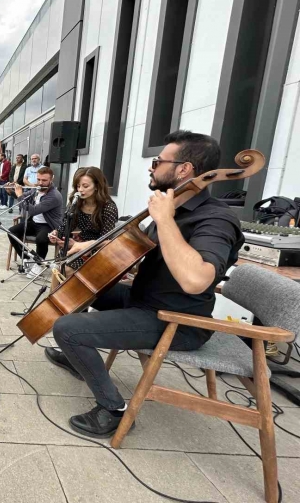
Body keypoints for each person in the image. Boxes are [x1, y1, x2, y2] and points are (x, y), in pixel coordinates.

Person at [50, 131, 243, 439]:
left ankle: (112, 409)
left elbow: (196, 279)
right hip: (144, 299)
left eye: (158, 161)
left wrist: (164, 220)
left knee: (67, 328)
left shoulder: (215, 220)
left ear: (183, 169)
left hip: (175, 320)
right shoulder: (170, 209)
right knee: (84, 286)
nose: (152, 168)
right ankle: (78, 356)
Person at [49, 167, 119, 270]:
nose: (80, 189)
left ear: (97, 186)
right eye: (78, 186)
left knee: (66, 269)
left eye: (85, 186)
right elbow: (66, 226)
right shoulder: (76, 202)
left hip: (96, 251)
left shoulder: (108, 207)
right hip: (77, 246)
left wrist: (81, 245)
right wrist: (56, 234)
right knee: (57, 267)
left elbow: (107, 240)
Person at [7, 167, 63, 277]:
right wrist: (11, 191)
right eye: (38, 179)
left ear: (51, 180)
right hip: (34, 223)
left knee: (41, 239)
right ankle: (26, 258)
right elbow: (24, 198)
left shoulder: (54, 196)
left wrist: (19, 195)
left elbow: (33, 210)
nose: (40, 183)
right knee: (11, 232)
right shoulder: (36, 189)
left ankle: (39, 264)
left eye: (44, 180)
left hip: (49, 225)